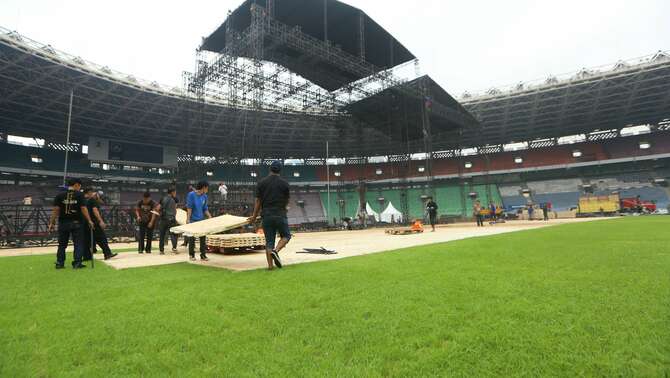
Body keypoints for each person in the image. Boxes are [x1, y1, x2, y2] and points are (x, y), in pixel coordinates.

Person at [248, 160, 291, 270]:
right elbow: (287, 201)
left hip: (266, 215)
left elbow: (258, 201)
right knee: (286, 236)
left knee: (269, 241)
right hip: (280, 214)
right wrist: (285, 207)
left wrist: (253, 216)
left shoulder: (261, 183)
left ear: (270, 169)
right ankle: (276, 251)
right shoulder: (285, 184)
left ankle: (270, 267)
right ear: (280, 170)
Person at [48, 178, 95, 269]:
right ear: (76, 185)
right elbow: (83, 209)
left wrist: (51, 223)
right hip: (77, 222)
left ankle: (59, 263)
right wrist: (89, 220)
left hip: (63, 222)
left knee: (62, 244)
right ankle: (77, 263)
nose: (80, 188)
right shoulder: (80, 195)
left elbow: (55, 210)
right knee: (78, 243)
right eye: (80, 186)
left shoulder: (60, 195)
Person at [83, 188, 118, 260]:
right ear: (89, 192)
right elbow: (95, 210)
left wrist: (97, 199)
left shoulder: (82, 200)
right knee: (102, 238)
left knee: (86, 240)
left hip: (84, 223)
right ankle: (107, 253)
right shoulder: (92, 200)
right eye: (92, 192)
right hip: (94, 222)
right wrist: (101, 221)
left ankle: (87, 256)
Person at [186, 181, 212, 261]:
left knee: (203, 238)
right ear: (203, 187)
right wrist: (188, 219)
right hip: (193, 220)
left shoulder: (205, 196)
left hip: (201, 220)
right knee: (192, 238)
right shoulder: (191, 195)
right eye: (207, 188)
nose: (207, 190)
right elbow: (189, 208)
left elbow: (205, 209)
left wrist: (210, 216)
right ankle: (191, 255)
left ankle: (203, 255)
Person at [158, 186, 179, 255]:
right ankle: (174, 248)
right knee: (174, 234)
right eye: (175, 192)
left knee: (162, 235)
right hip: (172, 219)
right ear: (172, 192)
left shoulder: (162, 199)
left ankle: (161, 250)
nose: (175, 193)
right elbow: (175, 209)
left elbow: (158, 208)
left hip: (163, 219)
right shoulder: (175, 199)